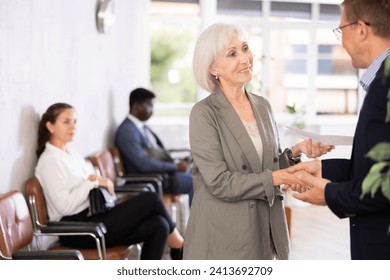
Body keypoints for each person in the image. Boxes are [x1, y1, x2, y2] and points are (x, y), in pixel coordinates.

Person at [183, 23, 334, 260]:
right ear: (212, 68)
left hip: (265, 228)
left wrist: (296, 152)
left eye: (245, 48)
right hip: (224, 236)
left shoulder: (262, 106)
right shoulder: (204, 114)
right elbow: (219, 182)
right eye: (232, 54)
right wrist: (280, 177)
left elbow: (266, 167)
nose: (245, 58)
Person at [285, 0, 390, 260]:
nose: (341, 40)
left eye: (341, 29)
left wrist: (329, 193)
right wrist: (325, 170)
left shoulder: (385, 85)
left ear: (362, 29)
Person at [35, 103, 184, 260]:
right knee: (151, 199)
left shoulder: (71, 153)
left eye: (75, 121)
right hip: (78, 229)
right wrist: (91, 183)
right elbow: (64, 207)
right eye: (66, 122)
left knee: (159, 224)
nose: (73, 127)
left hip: (96, 215)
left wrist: (103, 184)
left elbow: (94, 182)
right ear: (50, 126)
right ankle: (180, 245)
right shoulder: (50, 161)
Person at [115, 88, 194, 205]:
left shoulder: (140, 127)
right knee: (197, 183)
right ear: (136, 105)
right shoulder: (127, 131)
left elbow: (154, 153)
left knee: (199, 173)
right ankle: (200, 223)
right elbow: (142, 164)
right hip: (151, 178)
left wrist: (176, 162)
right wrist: (175, 167)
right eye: (149, 106)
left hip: (161, 174)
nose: (152, 111)